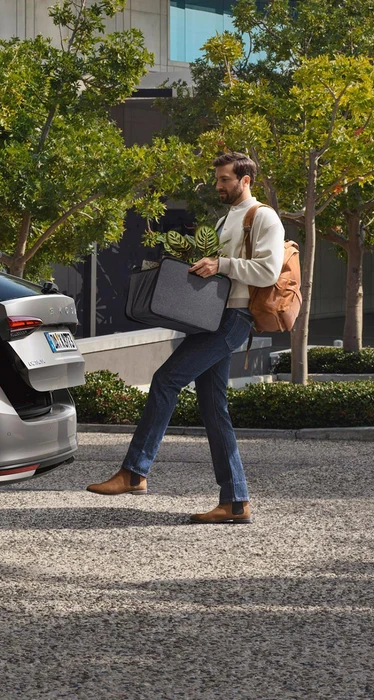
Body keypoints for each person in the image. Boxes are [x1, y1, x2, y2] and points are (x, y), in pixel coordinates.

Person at [85, 152, 285, 524]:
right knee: (213, 408)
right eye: (218, 180)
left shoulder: (263, 217)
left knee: (166, 379)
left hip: (235, 318)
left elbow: (268, 270)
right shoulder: (227, 219)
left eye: (225, 179)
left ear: (245, 180)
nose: (219, 186)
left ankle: (134, 473)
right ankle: (236, 501)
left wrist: (219, 264)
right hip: (214, 317)